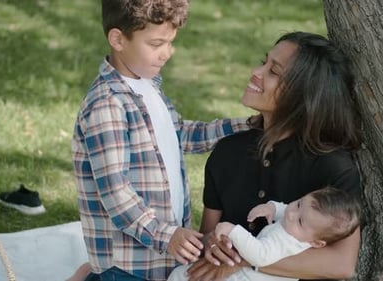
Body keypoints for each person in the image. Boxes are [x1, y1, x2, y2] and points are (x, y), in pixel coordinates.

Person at [70, 1, 251, 280]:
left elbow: (180, 134)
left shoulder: (148, 85)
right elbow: (117, 195)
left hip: (161, 257)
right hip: (126, 265)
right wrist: (167, 236)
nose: (166, 53)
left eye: (170, 42)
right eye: (156, 44)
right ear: (118, 39)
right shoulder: (107, 105)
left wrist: (246, 126)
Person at [185, 31, 363, 281]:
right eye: (264, 62)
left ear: (303, 95)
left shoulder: (333, 166)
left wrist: (247, 258)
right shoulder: (227, 151)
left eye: (274, 72)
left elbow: (341, 264)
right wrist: (213, 246)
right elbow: (207, 233)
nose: (256, 72)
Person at [167, 187, 361, 281]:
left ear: (317, 243)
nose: (292, 214)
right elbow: (286, 210)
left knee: (182, 276)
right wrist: (271, 208)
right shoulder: (298, 226)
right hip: (244, 274)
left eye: (300, 221)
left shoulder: (287, 242)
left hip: (247, 278)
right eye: (299, 203)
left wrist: (232, 230)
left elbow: (260, 255)